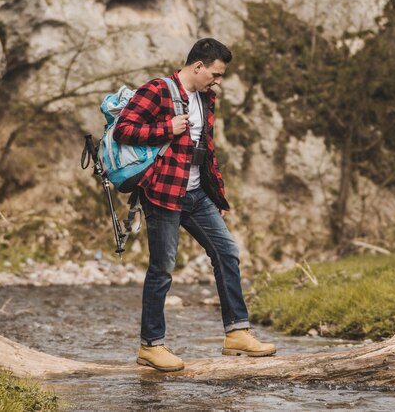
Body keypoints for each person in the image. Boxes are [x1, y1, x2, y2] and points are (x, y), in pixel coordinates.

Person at [113, 38, 276, 372]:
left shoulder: (206, 99)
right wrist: (165, 128)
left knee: (227, 252)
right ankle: (151, 345)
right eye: (215, 73)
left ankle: (237, 333)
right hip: (162, 193)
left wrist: (217, 195)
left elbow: (205, 150)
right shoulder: (158, 90)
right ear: (198, 65)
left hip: (197, 194)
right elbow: (123, 130)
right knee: (162, 267)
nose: (217, 80)